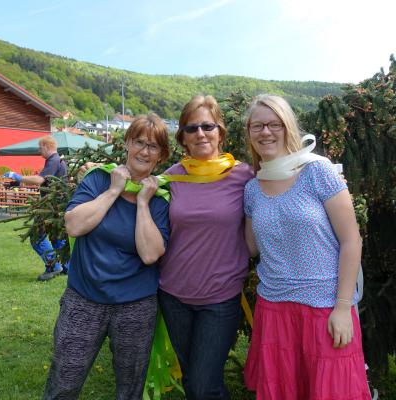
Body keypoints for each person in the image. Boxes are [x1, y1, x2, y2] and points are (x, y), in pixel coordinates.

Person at [243, 94, 371, 399]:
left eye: (274, 124)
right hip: (274, 308)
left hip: (325, 306)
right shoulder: (251, 189)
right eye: (257, 125)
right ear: (249, 133)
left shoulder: (317, 172)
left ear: (288, 127)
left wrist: (343, 307)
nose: (265, 132)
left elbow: (351, 240)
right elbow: (250, 247)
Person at [43, 114, 171, 400]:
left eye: (153, 146)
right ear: (127, 144)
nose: (144, 151)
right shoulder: (99, 179)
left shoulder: (160, 198)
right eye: (139, 142)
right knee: (64, 382)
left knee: (130, 388)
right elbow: (74, 226)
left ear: (161, 155)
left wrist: (142, 204)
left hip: (135, 306)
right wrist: (113, 191)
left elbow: (150, 254)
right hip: (83, 299)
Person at [157, 95, 254, 400]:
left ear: (220, 132)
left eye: (207, 126)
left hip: (220, 297)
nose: (200, 133)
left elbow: (279, 192)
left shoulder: (243, 175)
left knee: (203, 385)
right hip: (173, 294)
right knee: (192, 379)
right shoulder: (171, 177)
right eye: (191, 128)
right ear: (183, 138)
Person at [3, 136, 69, 281]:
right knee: (58, 237)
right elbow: (45, 182)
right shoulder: (59, 160)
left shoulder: (53, 160)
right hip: (58, 206)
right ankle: (67, 267)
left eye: (40, 148)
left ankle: (53, 266)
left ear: (46, 146)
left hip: (49, 207)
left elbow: (39, 180)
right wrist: (16, 184)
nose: (39, 151)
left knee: (37, 237)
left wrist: (17, 176)